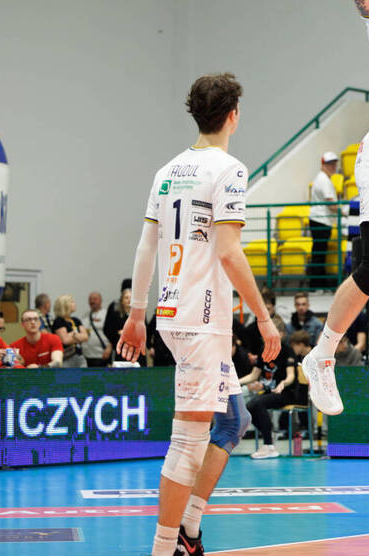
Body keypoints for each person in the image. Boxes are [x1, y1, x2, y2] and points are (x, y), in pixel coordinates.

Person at [116, 73, 278, 556]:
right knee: (188, 440)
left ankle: (188, 526)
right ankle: (165, 547)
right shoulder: (229, 169)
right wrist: (264, 317)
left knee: (233, 421)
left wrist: (137, 313)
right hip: (200, 320)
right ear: (233, 116)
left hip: (174, 312)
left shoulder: (167, 170)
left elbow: (146, 246)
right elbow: (228, 251)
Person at [246, 331, 311, 460]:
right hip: (270, 392)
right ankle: (269, 434)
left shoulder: (287, 350)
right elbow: (254, 375)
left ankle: (269, 445)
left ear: (280, 334)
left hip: (287, 393)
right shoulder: (263, 349)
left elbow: (291, 376)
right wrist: (235, 382)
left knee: (257, 403)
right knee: (249, 406)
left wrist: (283, 383)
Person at [307, 151, 341, 288]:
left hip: (319, 220)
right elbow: (331, 205)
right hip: (321, 221)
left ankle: (317, 284)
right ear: (323, 165)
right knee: (319, 254)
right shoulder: (324, 180)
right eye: (329, 164)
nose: (333, 166)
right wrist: (344, 212)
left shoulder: (321, 178)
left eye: (334, 163)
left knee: (319, 253)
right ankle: (317, 284)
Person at [51, 294, 89, 368]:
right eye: (72, 302)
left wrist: (73, 334)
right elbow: (65, 340)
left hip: (79, 355)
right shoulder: (59, 321)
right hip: (66, 357)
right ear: (65, 305)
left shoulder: (76, 320)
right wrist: (78, 336)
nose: (74, 304)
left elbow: (85, 337)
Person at [85, 291, 110, 366]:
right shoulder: (85, 316)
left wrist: (109, 348)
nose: (92, 301)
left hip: (102, 355)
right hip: (87, 356)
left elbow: (112, 333)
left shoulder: (107, 314)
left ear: (100, 300)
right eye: (90, 299)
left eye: (95, 299)